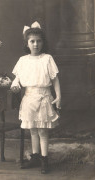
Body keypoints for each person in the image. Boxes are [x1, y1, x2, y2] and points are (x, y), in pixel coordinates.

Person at [11, 21, 61, 174]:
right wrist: (15, 83)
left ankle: (44, 160)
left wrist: (58, 95)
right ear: (27, 43)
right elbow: (18, 77)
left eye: (39, 41)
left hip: (44, 97)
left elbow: (54, 79)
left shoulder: (47, 58)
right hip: (29, 98)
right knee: (32, 130)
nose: (35, 44)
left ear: (43, 42)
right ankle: (35, 156)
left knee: (43, 130)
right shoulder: (23, 60)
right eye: (32, 41)